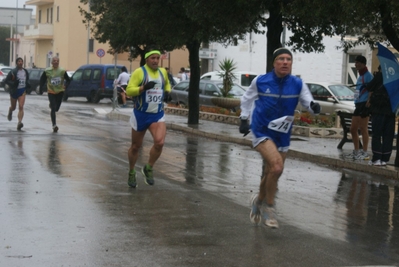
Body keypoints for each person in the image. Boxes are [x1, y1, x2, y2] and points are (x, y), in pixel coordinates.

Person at [239, 48, 320, 228]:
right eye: (281, 59)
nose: (285, 62)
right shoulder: (261, 81)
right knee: (276, 167)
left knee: (272, 172)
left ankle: (258, 200)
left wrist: (315, 107)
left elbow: (309, 104)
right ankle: (269, 208)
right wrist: (244, 119)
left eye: (288, 59)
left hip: (283, 133)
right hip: (262, 130)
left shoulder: (297, 83)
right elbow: (246, 99)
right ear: (274, 63)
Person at [125, 48, 171, 188]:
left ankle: (149, 167)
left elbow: (167, 83)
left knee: (160, 143)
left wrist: (168, 91)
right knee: (135, 147)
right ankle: (132, 171)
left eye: (158, 58)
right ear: (147, 60)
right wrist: (143, 88)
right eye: (153, 58)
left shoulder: (162, 72)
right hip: (141, 114)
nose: (156, 61)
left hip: (157, 114)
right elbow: (128, 90)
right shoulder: (140, 72)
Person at [366, 66, 395, 166]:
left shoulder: (379, 76)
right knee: (388, 136)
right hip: (391, 111)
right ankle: (385, 159)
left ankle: (377, 158)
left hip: (378, 110)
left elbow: (369, 87)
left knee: (377, 134)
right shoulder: (395, 77)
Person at [347, 55, 373, 160]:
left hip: (364, 104)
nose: (355, 64)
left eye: (358, 62)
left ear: (363, 64)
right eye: (355, 62)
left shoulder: (368, 76)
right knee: (353, 129)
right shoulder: (359, 77)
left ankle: (365, 151)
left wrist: (369, 101)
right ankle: (356, 150)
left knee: (363, 128)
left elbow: (372, 89)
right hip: (358, 104)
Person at [40, 56, 71, 133]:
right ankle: (54, 125)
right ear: (52, 62)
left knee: (56, 108)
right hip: (51, 91)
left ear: (59, 62)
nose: (56, 62)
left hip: (60, 91)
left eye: (57, 61)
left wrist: (65, 85)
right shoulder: (47, 70)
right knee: (53, 108)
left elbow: (69, 80)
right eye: (54, 61)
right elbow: (42, 79)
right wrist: (41, 88)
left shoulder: (62, 71)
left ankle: (52, 106)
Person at [4, 57, 31, 131]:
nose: (20, 63)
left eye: (21, 61)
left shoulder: (25, 71)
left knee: (21, 106)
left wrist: (28, 84)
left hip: (22, 90)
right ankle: (10, 110)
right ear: (16, 63)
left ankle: (19, 122)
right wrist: (13, 84)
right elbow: (6, 81)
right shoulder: (13, 71)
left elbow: (27, 79)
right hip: (14, 91)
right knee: (14, 107)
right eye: (19, 61)